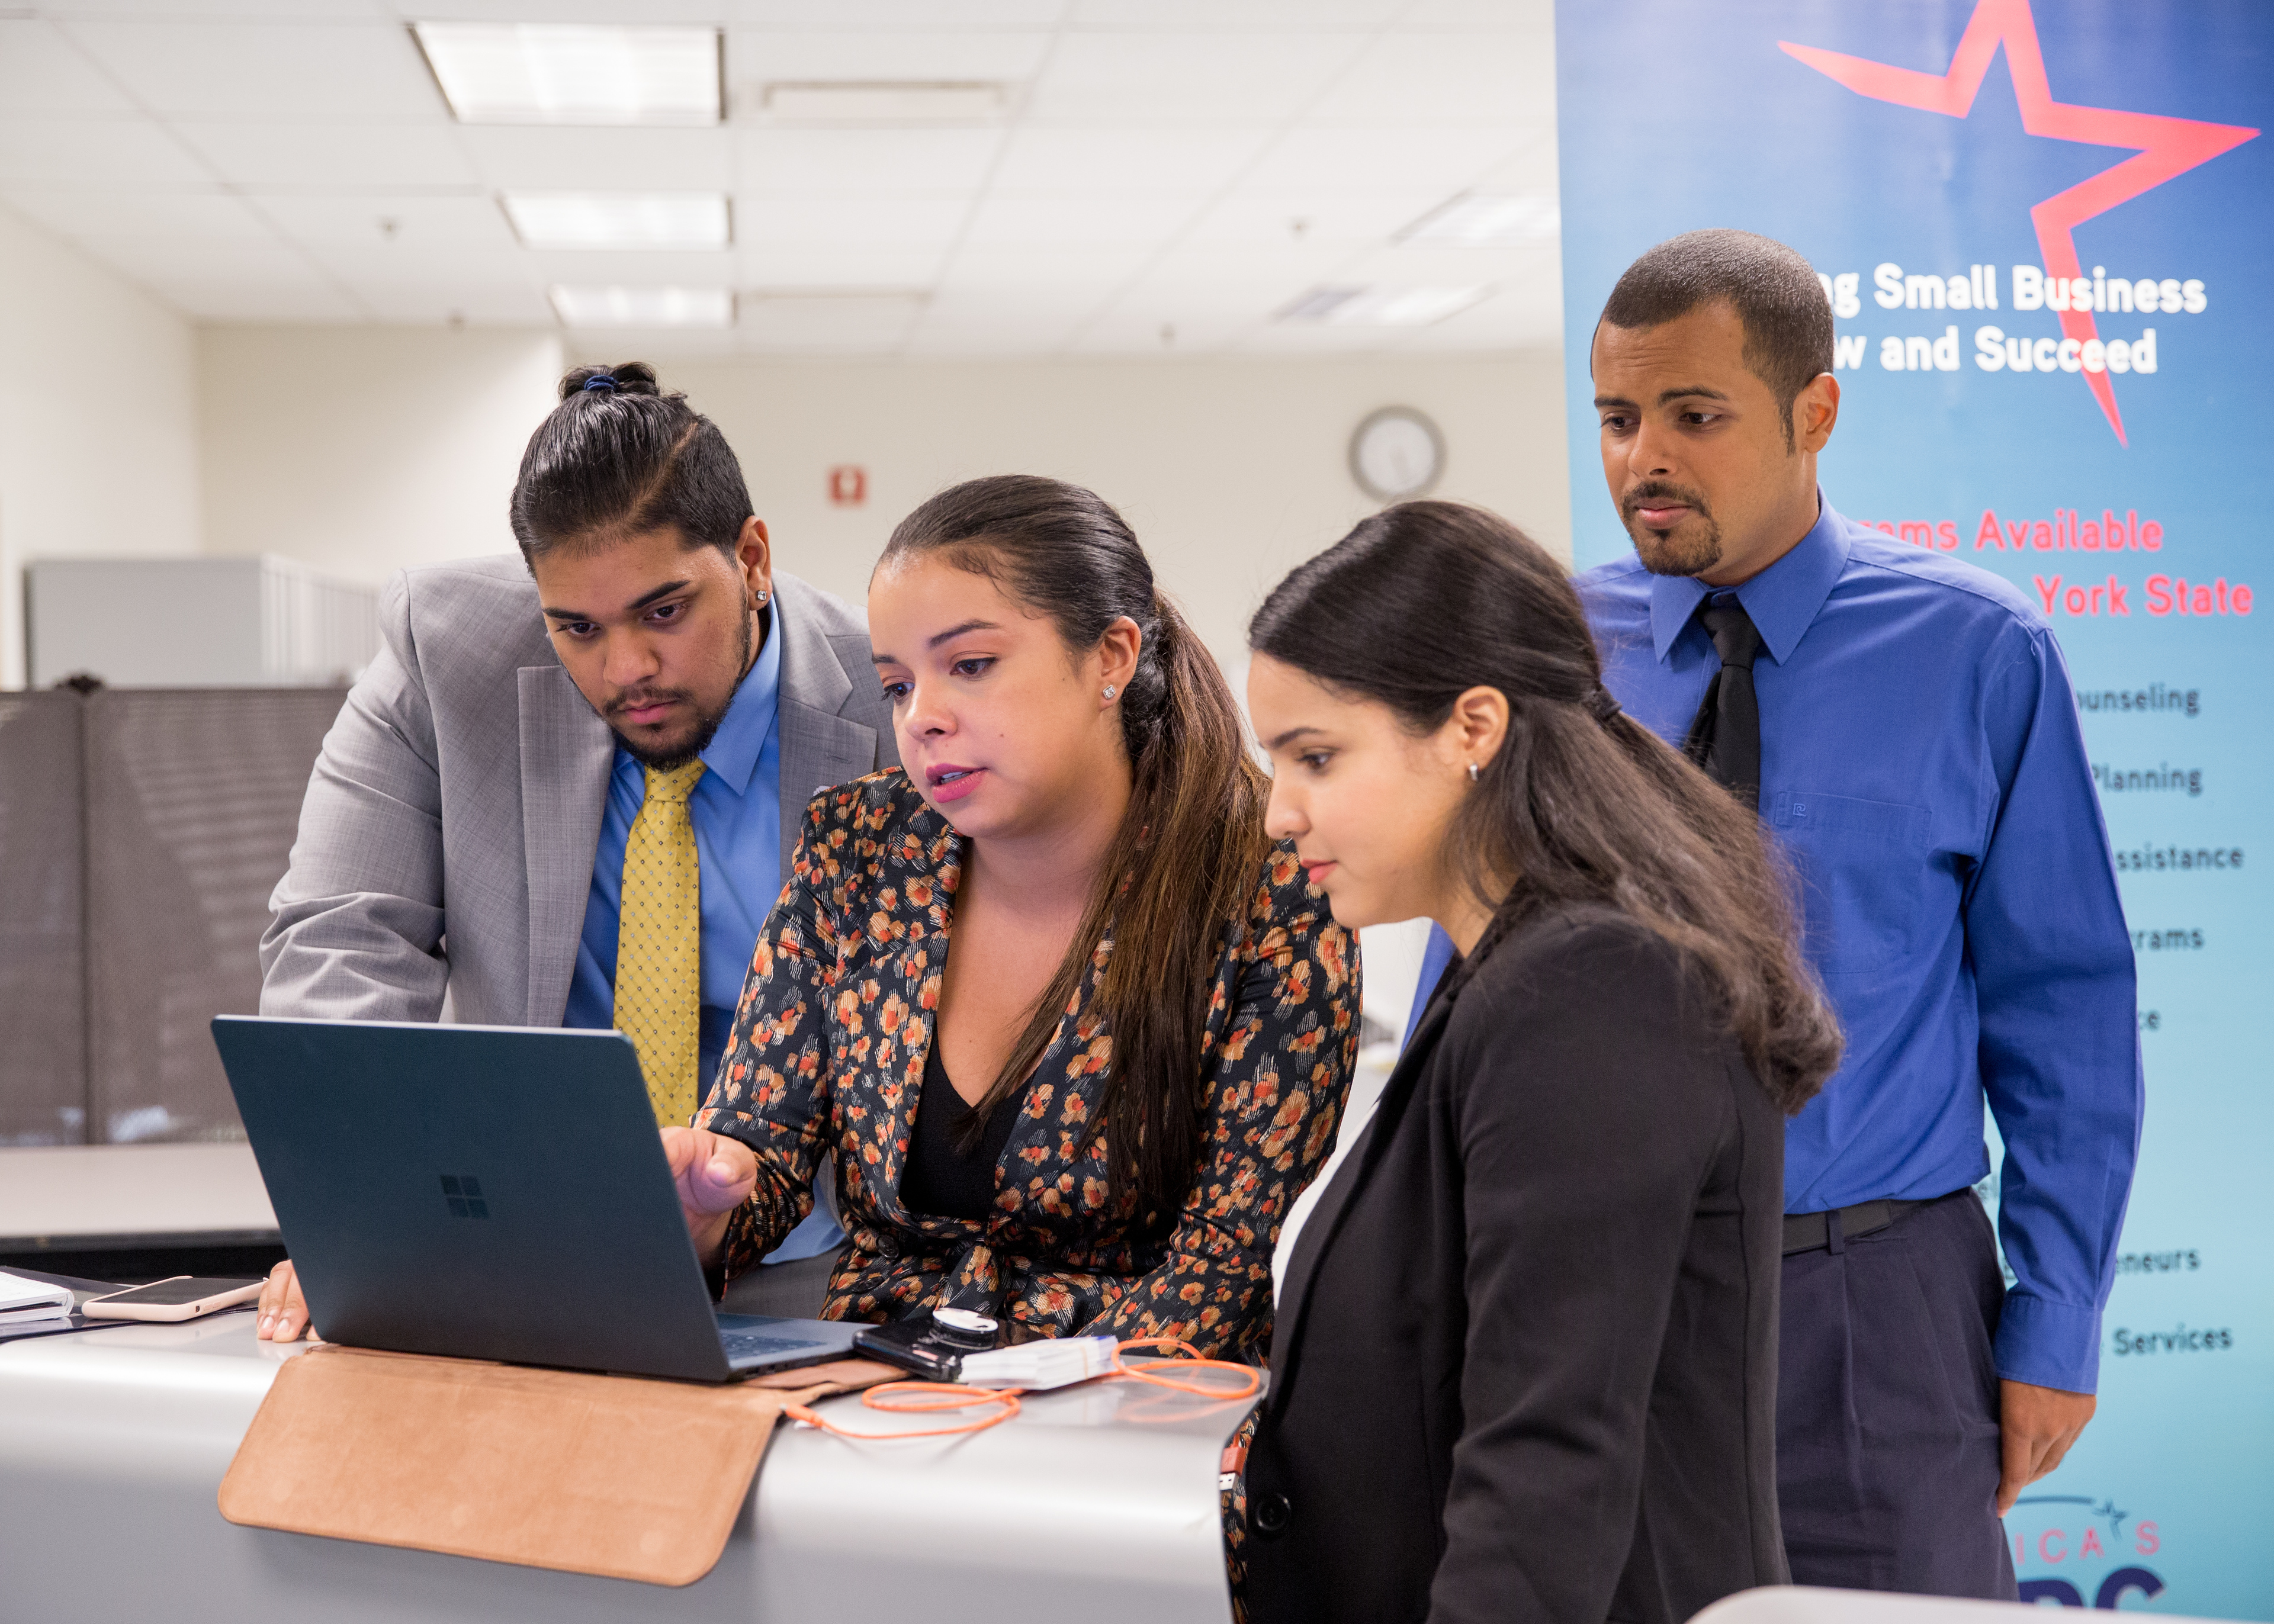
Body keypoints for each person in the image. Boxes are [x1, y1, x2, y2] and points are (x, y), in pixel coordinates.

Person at [1417, 229, 2145, 1596]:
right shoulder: (1553, 656)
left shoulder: (1975, 649)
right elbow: (1472, 986)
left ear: (1814, 411)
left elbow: (2069, 1011)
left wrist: (2054, 1323)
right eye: (1619, 419)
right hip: (1595, 1288)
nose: (1645, 458)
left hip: (1877, 1294)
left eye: (1696, 415)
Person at [1237, 500, 1840, 1624]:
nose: (1281, 813)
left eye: (1316, 757)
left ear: (1473, 727)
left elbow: (1549, 1460)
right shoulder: (1514, 971)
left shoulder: (1591, 992)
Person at [255, 363, 894, 1342]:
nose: (625, 667)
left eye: (665, 611)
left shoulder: (892, 700)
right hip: (524, 1249)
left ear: (753, 558)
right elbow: (339, 945)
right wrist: (364, 1212)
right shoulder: (447, 655)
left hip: (820, 1263)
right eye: (578, 628)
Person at [662, 474, 1357, 1355]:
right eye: (897, 686)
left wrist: (1009, 1411)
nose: (924, 719)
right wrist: (705, 1207)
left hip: (1135, 1409)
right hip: (874, 1392)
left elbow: (1221, 1260)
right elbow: (761, 1144)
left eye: (972, 667)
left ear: (1110, 657)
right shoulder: (858, 847)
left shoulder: (1268, 884)